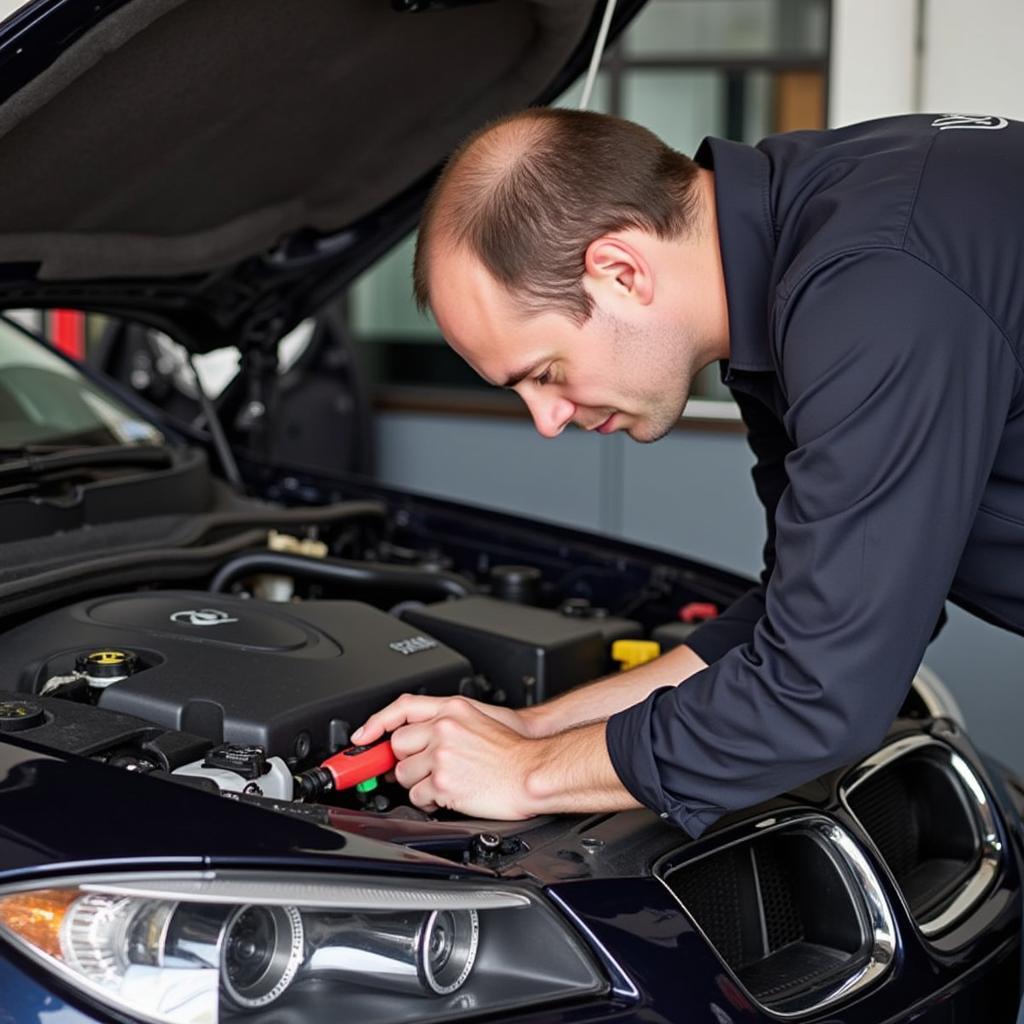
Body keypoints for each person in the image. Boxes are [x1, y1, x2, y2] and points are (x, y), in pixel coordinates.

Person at [352, 107, 1024, 838]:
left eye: (545, 372)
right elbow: (803, 617)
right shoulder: (792, 259)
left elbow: (817, 691)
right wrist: (531, 728)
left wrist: (526, 776)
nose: (546, 421)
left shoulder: (873, 285)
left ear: (620, 271)